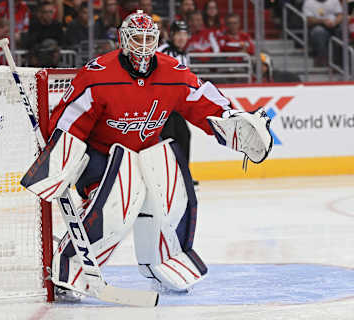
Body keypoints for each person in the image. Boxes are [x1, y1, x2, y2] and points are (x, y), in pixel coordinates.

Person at [21, 10, 273, 299]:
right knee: (117, 208)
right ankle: (72, 265)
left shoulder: (172, 72)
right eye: (136, 38)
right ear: (123, 40)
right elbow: (69, 120)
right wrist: (60, 157)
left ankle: (166, 262)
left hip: (144, 155)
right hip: (100, 156)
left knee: (171, 202)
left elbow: (202, 98)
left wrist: (233, 119)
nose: (142, 45)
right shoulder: (98, 75)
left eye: (148, 38)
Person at [157, 20, 200, 189]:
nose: (182, 38)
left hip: (175, 107)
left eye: (185, 34)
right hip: (162, 107)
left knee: (184, 136)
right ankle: (167, 176)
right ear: (172, 35)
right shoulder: (162, 51)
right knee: (167, 140)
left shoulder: (184, 55)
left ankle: (183, 174)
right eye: (179, 34)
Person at [302, 0, 343, 67]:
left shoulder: (334, 1)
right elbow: (309, 19)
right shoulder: (308, 2)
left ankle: (339, 61)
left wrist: (335, 22)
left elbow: (340, 15)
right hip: (317, 25)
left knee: (342, 31)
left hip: (334, 25)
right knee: (318, 32)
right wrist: (323, 21)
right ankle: (322, 59)